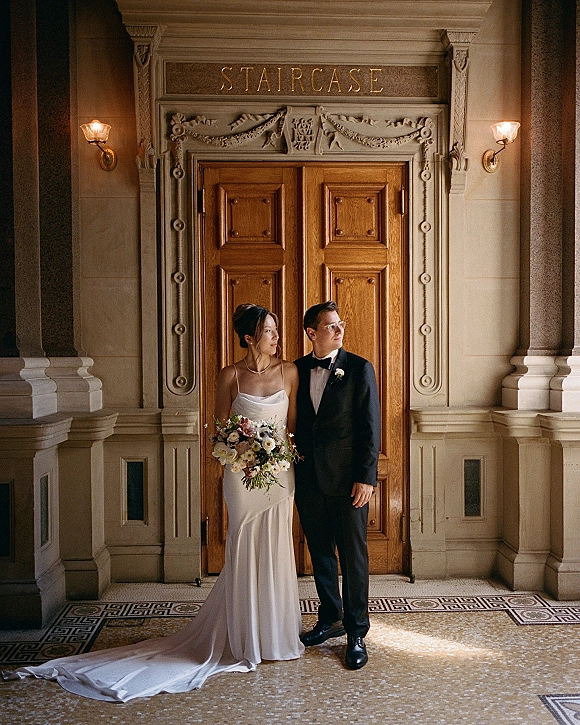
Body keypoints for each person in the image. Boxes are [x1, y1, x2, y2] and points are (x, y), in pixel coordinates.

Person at [2, 303, 303, 702]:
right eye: (269, 330)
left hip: (279, 477)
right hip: (241, 478)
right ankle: (244, 634)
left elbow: (293, 428)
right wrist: (240, 453)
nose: (277, 337)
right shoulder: (230, 375)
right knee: (243, 547)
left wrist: (274, 457)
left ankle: (274, 636)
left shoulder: (290, 373)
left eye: (277, 330)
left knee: (275, 549)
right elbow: (218, 433)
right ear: (249, 337)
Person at [294, 301, 380, 670]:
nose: (339, 330)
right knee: (321, 553)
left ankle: (357, 631)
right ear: (312, 332)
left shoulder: (360, 368)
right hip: (308, 479)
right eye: (330, 326)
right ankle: (330, 619)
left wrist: (367, 477)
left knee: (353, 556)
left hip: (349, 481)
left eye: (340, 324)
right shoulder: (295, 370)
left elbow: (370, 427)